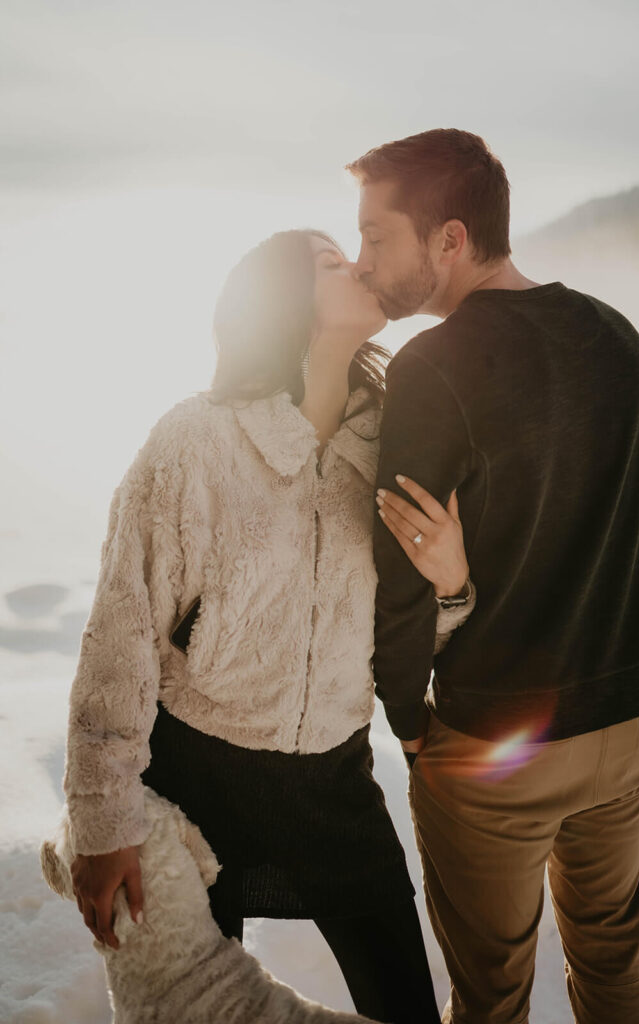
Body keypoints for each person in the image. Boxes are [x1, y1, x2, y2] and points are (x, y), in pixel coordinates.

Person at [64, 228, 476, 1024]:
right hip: (194, 778)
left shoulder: (394, 445)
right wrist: (101, 823)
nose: (357, 262)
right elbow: (120, 637)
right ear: (285, 302)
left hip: (335, 784)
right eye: (329, 261)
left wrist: (452, 588)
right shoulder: (194, 440)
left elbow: (409, 636)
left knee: (405, 1006)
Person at [346, 129, 639, 1024]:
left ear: (449, 238)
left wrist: (410, 725)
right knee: (612, 967)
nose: (366, 260)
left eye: (378, 237)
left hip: (495, 746)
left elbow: (397, 575)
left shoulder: (433, 367)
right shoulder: (622, 339)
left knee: (489, 997)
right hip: (629, 724)